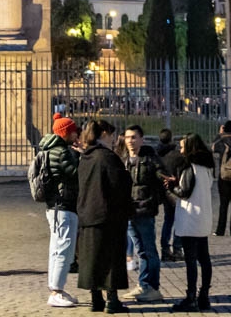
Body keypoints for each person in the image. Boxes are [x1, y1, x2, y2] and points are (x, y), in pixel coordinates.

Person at [76, 120, 131, 313]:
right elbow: (119, 185)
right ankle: (112, 300)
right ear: (105, 134)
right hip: (108, 215)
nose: (115, 139)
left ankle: (95, 299)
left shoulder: (86, 156)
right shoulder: (107, 157)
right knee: (111, 259)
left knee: (92, 258)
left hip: (87, 213)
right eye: (112, 135)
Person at [166, 133, 216, 313]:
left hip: (190, 218)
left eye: (182, 146)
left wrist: (171, 187)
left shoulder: (189, 166)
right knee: (205, 258)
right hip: (203, 216)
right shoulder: (208, 166)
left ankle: (191, 297)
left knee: (191, 260)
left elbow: (184, 191)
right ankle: (204, 296)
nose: (180, 150)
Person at [37, 116, 81, 308]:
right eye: (74, 131)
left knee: (58, 248)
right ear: (66, 133)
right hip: (63, 204)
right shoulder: (61, 152)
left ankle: (57, 289)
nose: (77, 134)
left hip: (56, 206)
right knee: (64, 248)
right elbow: (76, 173)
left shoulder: (53, 149)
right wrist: (82, 155)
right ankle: (56, 291)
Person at [122, 125, 166, 303]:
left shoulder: (151, 159)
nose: (130, 141)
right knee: (140, 251)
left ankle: (153, 287)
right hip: (129, 211)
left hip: (145, 210)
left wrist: (153, 201)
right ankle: (143, 284)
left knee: (149, 250)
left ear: (141, 139)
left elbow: (162, 179)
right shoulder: (124, 158)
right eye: (127, 137)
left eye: (133, 137)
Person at [157, 128, 185, 262]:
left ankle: (164, 249)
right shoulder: (177, 156)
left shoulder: (157, 155)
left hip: (164, 191)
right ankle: (177, 248)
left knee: (168, 220)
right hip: (175, 190)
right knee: (178, 221)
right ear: (171, 138)